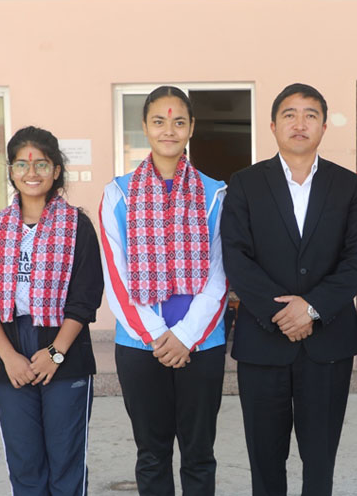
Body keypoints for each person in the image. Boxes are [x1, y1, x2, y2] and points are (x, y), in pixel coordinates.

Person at [220, 83, 357, 496]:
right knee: (265, 462)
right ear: (273, 125)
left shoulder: (348, 185)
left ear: (323, 126)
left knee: (320, 462)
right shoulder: (246, 183)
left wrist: (312, 307)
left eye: (310, 115)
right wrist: (281, 313)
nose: (299, 123)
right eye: (289, 114)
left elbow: (356, 257)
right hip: (262, 343)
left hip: (328, 344)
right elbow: (236, 256)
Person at [100, 86, 229, 496]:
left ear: (191, 127)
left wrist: (186, 336)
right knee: (152, 454)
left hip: (201, 343)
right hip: (141, 345)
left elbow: (220, 273)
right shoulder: (118, 193)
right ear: (144, 127)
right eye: (158, 121)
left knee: (199, 454)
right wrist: (159, 336)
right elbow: (116, 276)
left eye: (178, 122)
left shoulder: (216, 192)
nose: (168, 130)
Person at [0, 126, 102, 495]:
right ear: (10, 170)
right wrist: (8, 356)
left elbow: (86, 297)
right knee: (24, 463)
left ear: (56, 170)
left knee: (66, 460)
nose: (31, 172)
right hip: (9, 347)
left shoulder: (77, 226)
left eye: (41, 164)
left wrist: (56, 352)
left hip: (64, 347)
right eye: (22, 164)